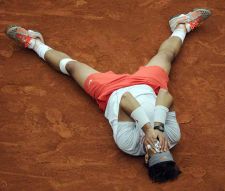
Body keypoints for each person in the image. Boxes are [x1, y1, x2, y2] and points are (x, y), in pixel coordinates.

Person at [5, 8, 211, 182]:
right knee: (165, 55)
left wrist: (147, 129)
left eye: (154, 153)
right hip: (149, 85)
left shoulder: (129, 145)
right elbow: (165, 95)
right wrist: (158, 126)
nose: (159, 147)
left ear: (146, 159)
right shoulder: (173, 137)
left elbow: (126, 100)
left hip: (110, 90)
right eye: (165, 151)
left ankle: (33, 42)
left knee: (73, 67)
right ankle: (181, 26)